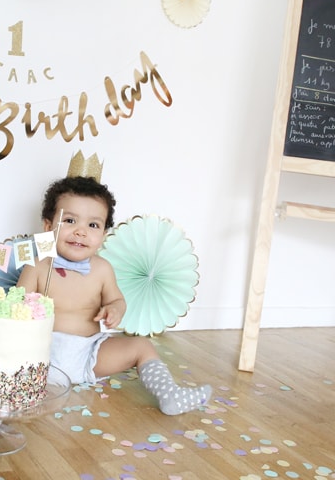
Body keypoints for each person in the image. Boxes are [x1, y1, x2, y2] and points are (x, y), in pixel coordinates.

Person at [16, 176, 212, 415]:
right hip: (41, 354)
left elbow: (116, 299)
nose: (80, 232)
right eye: (69, 221)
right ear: (48, 227)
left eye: (93, 225)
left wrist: (115, 309)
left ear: (104, 234)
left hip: (90, 353)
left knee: (141, 345)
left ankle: (169, 394)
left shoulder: (102, 269)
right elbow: (16, 309)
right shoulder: (37, 266)